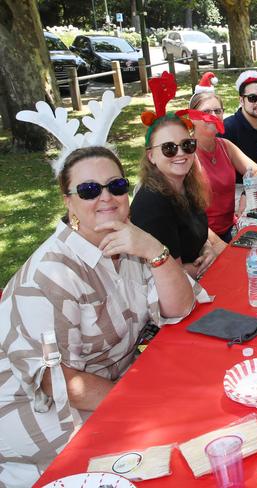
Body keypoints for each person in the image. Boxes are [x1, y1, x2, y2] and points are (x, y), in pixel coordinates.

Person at [0, 146, 209, 487]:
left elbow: (181, 307)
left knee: (191, 410)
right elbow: (56, 381)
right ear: (68, 202)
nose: (106, 197)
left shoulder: (131, 243)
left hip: (109, 387)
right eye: (89, 190)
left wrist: (154, 251)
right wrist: (133, 404)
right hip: (34, 404)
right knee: (150, 447)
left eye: (116, 186)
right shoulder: (51, 273)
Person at [131, 112, 218, 280]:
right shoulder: (153, 204)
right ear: (151, 156)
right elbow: (172, 273)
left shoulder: (186, 186)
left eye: (187, 145)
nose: (180, 153)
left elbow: (194, 235)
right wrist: (209, 265)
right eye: (168, 148)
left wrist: (207, 249)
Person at [190, 90, 257, 239]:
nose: (213, 116)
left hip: (229, 230)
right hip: (202, 238)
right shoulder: (187, 152)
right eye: (206, 111)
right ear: (192, 117)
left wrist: (247, 192)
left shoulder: (225, 145)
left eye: (217, 111)